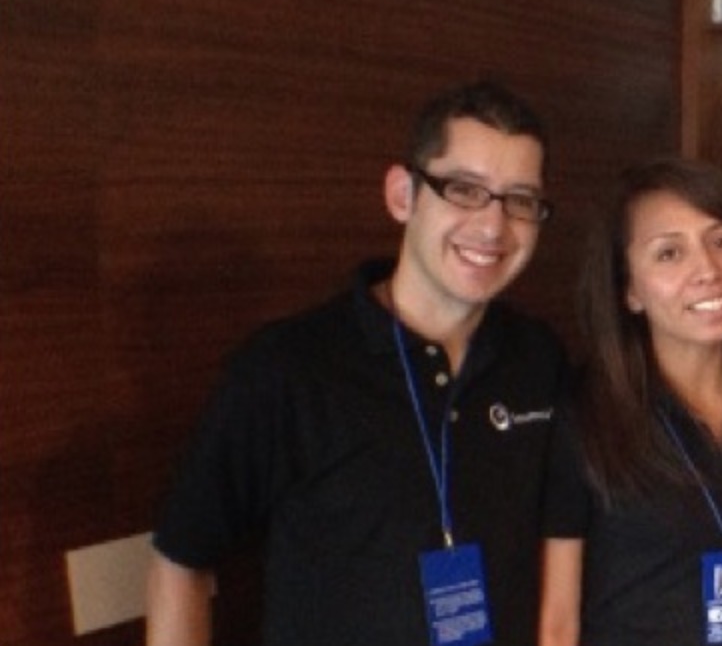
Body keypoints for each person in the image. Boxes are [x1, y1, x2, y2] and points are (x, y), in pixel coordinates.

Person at [148, 81, 566, 646]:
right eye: (464, 190)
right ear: (403, 195)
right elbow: (181, 559)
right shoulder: (287, 367)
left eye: (519, 200)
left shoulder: (539, 358)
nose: (493, 227)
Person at [538, 158, 722, 646]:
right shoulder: (584, 416)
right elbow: (558, 624)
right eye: (669, 253)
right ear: (630, 291)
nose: (707, 269)